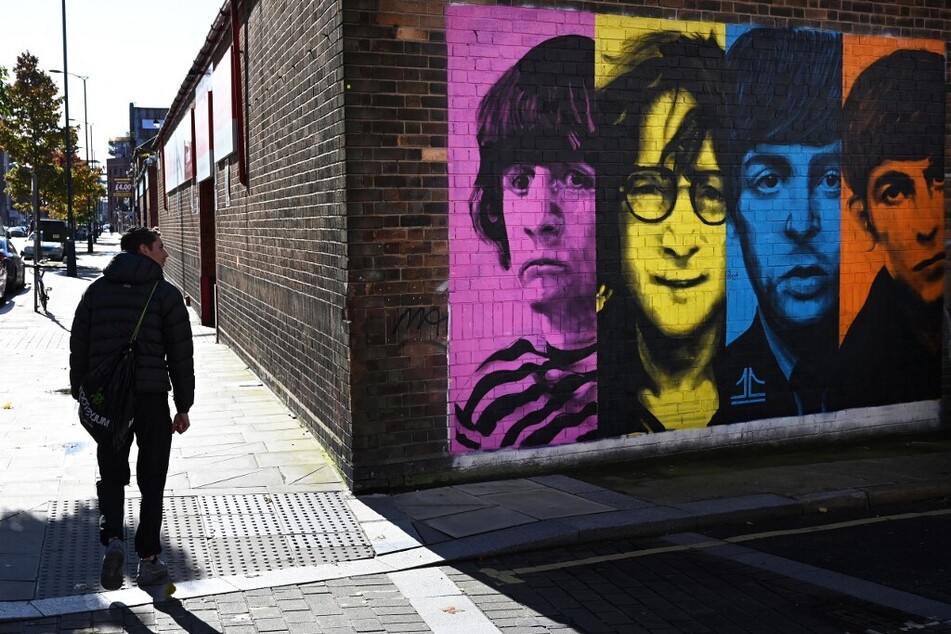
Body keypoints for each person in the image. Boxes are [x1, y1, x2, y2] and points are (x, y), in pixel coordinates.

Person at [453, 35, 598, 451]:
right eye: (518, 182)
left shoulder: (652, 383)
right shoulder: (490, 395)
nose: (539, 220)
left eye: (575, 179)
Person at [596, 30, 727, 434]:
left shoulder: (782, 380)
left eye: (711, 193)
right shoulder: (574, 392)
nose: (681, 240)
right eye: (650, 189)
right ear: (613, 215)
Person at [713, 28, 842, 424]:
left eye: (831, 179)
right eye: (768, 181)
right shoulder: (714, 395)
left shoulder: (892, 366)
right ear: (732, 212)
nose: (802, 222)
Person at [69, 227, 194, 590]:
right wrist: (183, 405)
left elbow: (79, 347)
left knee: (111, 473)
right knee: (151, 478)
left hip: (110, 401)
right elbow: (180, 355)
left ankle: (113, 542)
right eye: (160, 247)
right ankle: (149, 559)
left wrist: (84, 394)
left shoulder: (95, 292)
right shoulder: (165, 294)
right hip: (152, 399)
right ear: (144, 250)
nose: (166, 254)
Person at [837, 49, 945, 408]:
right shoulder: (863, 371)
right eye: (895, 192)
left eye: (940, 179)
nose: (927, 224)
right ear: (863, 220)